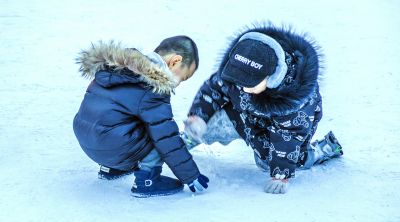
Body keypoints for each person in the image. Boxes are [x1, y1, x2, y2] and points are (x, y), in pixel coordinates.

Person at [183, 24, 343, 194]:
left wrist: (281, 174)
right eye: (239, 83)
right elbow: (213, 89)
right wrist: (198, 118)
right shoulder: (239, 67)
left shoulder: (296, 101)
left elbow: (288, 137)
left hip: (283, 131)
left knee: (269, 163)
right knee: (211, 123)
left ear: (272, 77)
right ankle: (192, 137)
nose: (243, 89)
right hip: (244, 115)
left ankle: (317, 152)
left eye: (250, 85)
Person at [73, 36, 209, 197]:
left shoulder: (117, 67)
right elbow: (166, 138)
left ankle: (111, 169)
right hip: (112, 145)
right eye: (183, 77)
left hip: (88, 142)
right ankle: (147, 181)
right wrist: (190, 176)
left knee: (120, 119)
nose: (179, 83)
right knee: (159, 134)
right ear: (175, 61)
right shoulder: (153, 85)